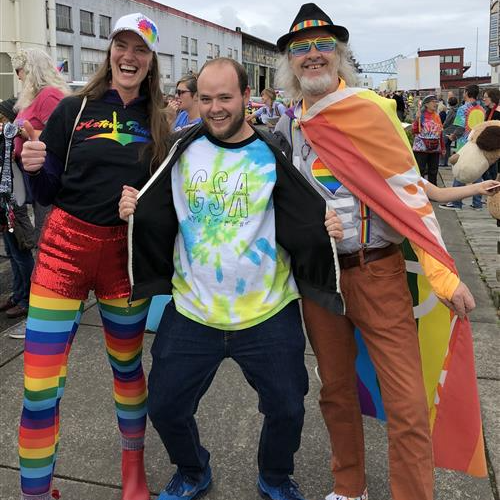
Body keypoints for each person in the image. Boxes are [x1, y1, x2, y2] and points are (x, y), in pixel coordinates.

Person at [274, 4, 476, 500]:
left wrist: (443, 273)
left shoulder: (371, 109)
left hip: (376, 272)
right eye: (300, 48)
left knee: (406, 403)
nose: (312, 55)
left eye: (322, 46)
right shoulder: (290, 125)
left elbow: (408, 193)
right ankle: (349, 488)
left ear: (339, 55)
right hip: (321, 281)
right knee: (336, 392)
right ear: (290, 63)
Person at [119, 56, 345, 500]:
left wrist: (327, 226)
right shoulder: (178, 150)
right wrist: (134, 206)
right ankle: (192, 469)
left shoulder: (274, 149)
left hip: (267, 311)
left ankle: (275, 477)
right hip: (193, 311)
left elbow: (306, 204)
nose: (216, 107)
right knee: (165, 406)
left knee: (286, 408)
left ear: (246, 96)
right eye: (206, 98)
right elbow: (149, 197)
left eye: (225, 97)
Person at [17, 12, 168, 500]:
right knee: (40, 385)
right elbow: (48, 190)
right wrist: (35, 166)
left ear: (151, 61)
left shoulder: (159, 122)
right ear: (110, 51)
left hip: (123, 261)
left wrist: (143, 209)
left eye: (140, 49)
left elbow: (164, 201)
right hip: (63, 249)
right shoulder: (74, 109)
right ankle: (36, 491)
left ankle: (133, 474)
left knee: (127, 367)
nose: (129, 56)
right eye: (122, 45)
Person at [10, 48, 70, 244]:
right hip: (32, 170)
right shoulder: (35, 97)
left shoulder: (49, 95)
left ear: (31, 70)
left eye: (19, 70)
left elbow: (63, 136)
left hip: (46, 172)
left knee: (47, 235)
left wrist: (21, 134)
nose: (18, 76)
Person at [0, 98, 35, 321]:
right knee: (12, 253)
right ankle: (18, 293)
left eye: (2, 117)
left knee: (21, 252)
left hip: (15, 202)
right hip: (5, 203)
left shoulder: (16, 138)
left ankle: (28, 299)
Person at [439, 84, 485, 210]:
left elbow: (460, 128)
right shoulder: (482, 109)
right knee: (477, 174)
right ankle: (477, 203)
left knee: (460, 172)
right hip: (477, 144)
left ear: (467, 93)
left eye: (464, 91)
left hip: (464, 145)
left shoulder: (463, 109)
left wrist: (452, 137)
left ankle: (456, 202)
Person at [411, 94, 444, 185]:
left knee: (433, 171)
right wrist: (417, 119)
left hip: (435, 148)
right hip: (421, 148)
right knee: (420, 171)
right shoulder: (420, 116)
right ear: (426, 104)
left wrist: (443, 147)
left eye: (436, 102)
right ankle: (420, 191)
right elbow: (414, 131)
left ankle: (433, 192)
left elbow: (440, 132)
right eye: (433, 102)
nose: (435, 104)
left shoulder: (437, 116)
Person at [482, 88, 500, 181]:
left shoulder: (498, 112)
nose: (483, 99)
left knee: (490, 171)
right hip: (488, 146)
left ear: (492, 98)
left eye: (485, 97)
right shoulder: (489, 111)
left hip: (495, 147)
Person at [439, 96, 458, 166]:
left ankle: (442, 162)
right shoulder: (458, 110)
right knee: (448, 146)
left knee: (443, 145)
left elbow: (447, 121)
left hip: (447, 130)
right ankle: (446, 162)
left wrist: (442, 126)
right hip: (454, 130)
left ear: (449, 103)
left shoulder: (451, 111)